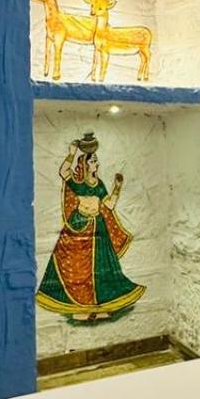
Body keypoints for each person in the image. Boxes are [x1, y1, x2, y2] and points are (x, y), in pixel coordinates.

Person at [36, 131, 145, 321]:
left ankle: (100, 306)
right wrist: (72, 153)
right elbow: (63, 172)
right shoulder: (77, 183)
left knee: (101, 271)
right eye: (94, 161)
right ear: (85, 164)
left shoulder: (99, 184)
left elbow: (108, 205)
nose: (97, 164)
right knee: (78, 272)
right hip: (78, 228)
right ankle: (81, 310)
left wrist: (117, 187)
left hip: (98, 229)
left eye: (96, 161)